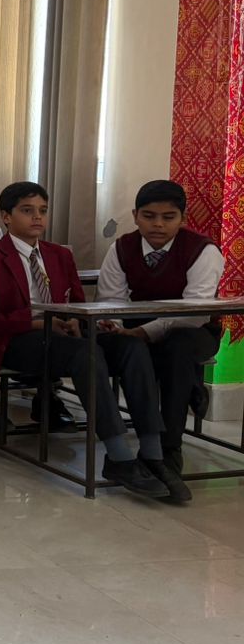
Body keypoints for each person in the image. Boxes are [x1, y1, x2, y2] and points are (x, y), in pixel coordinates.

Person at [0, 181, 170, 498]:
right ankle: (119, 456)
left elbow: (76, 301)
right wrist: (38, 322)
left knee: (130, 345)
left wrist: (75, 319)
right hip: (15, 340)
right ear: (6, 216)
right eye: (27, 210)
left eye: (43, 211)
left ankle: (153, 451)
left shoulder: (59, 254)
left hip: (63, 334)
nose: (37, 217)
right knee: (83, 354)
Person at [95, 179, 222, 496]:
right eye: (149, 216)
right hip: (134, 327)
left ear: (183, 218)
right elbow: (111, 299)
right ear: (135, 215)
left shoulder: (203, 251)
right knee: (129, 349)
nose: (158, 225)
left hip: (193, 332)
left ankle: (168, 448)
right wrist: (114, 325)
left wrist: (144, 332)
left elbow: (194, 311)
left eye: (168, 217)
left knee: (176, 349)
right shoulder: (121, 248)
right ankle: (191, 388)